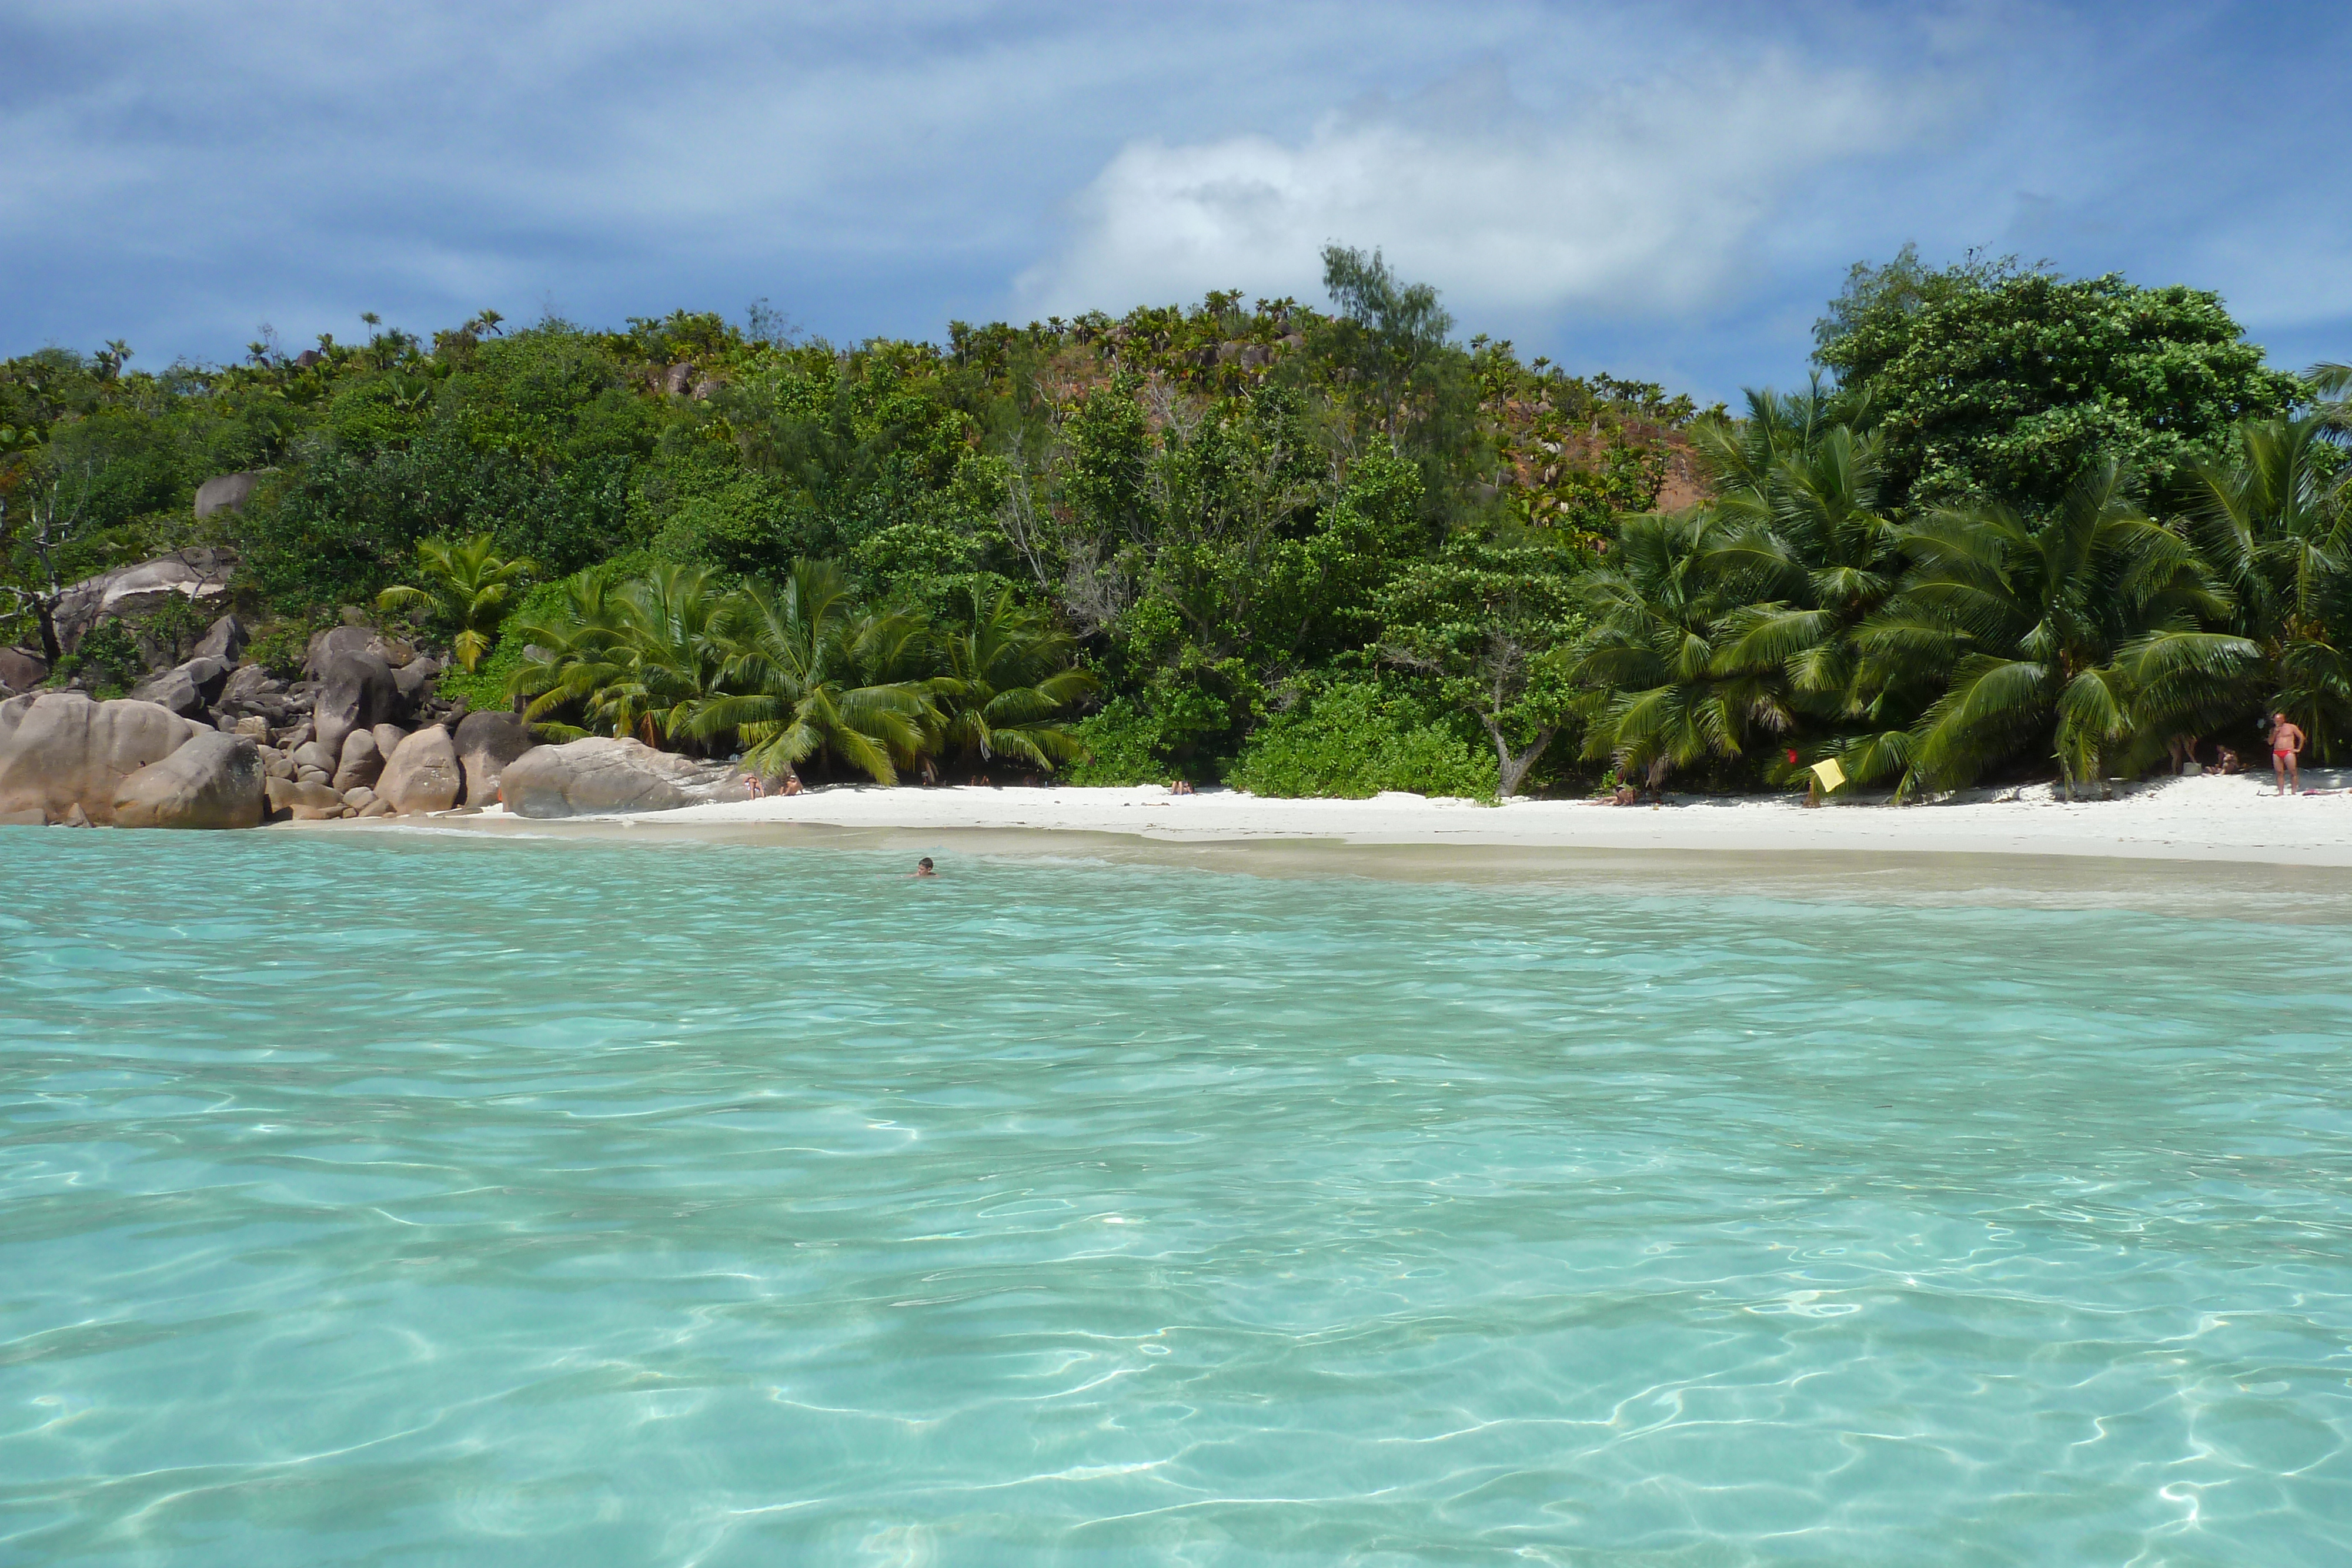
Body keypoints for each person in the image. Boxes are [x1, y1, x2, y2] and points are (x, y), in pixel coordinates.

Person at [2270, 711, 2306, 795]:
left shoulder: (2291, 727)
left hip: (2288, 751)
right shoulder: (2273, 730)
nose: (2276, 722)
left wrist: (2298, 749)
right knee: (2279, 772)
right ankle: (2281, 792)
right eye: (2275, 720)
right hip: (2277, 752)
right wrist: (2275, 733)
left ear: (2283, 720)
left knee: (2293, 771)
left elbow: (2302, 737)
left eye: (2278, 720)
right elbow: (2270, 742)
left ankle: (2293, 791)